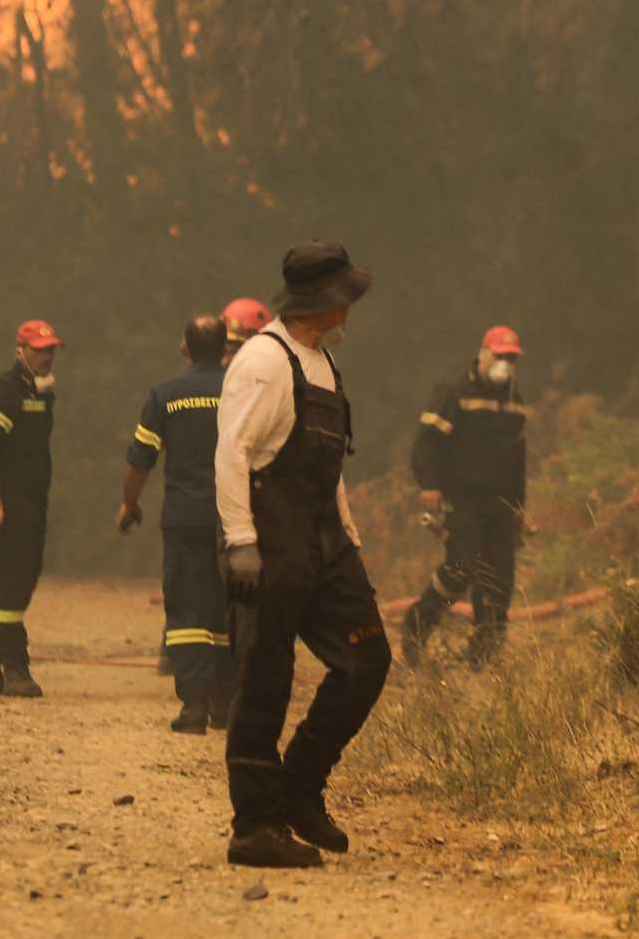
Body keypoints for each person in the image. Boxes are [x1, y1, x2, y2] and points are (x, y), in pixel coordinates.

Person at [216, 243, 388, 869]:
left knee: (368, 659)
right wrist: (240, 543)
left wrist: (346, 528)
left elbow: (326, 461)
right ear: (327, 303)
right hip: (269, 541)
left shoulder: (322, 362)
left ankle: (300, 786)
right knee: (266, 679)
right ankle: (254, 827)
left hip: (324, 542)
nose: (351, 310)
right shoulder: (264, 361)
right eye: (347, 298)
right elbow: (232, 452)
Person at [120, 314, 237, 733]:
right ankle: (226, 705)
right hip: (236, 519)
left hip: (185, 519)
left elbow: (140, 460)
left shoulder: (165, 395)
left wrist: (128, 504)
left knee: (187, 610)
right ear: (226, 348)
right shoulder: (242, 392)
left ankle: (193, 708)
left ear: (184, 348)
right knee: (229, 608)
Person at [400, 324, 532, 669]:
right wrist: (429, 484)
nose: (505, 364)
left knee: (500, 577)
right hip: (462, 497)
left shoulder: (515, 400)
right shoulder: (455, 391)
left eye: (511, 359)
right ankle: (417, 625)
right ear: (484, 354)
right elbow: (427, 440)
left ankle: (484, 657)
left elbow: (517, 457)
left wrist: (519, 506)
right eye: (500, 356)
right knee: (462, 568)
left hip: (502, 503)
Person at [155, 300, 267, 677]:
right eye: (233, 346)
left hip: (218, 502)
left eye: (245, 345)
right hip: (218, 502)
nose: (237, 354)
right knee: (201, 586)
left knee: (213, 587)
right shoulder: (233, 388)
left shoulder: (253, 384)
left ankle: (220, 676)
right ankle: (191, 662)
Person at [0, 319, 62, 700]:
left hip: (33, 500)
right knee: (15, 579)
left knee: (21, 576)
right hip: (6, 502)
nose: (47, 357)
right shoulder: (5, 390)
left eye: (51, 349)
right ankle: (14, 667)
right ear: (20, 351)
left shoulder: (41, 392)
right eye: (40, 350)